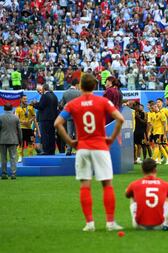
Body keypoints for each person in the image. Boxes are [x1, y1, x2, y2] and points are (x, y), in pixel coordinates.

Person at [54, 73, 125, 232]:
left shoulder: (73, 104)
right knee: (107, 183)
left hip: (83, 147)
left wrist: (70, 142)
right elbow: (120, 119)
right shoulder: (103, 101)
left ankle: (90, 223)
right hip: (100, 146)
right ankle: (110, 223)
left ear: (80, 86)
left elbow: (57, 123)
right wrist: (112, 138)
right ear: (94, 86)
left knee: (85, 185)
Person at [125, 158, 168, 230]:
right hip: (159, 225)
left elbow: (127, 195)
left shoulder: (134, 184)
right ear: (155, 170)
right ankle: (165, 220)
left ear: (142, 170)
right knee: (167, 196)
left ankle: (137, 220)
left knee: (132, 195)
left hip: (139, 225)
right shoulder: (165, 184)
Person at [33, 84, 59, 155]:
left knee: (45, 136)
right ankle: (52, 151)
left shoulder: (44, 96)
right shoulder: (54, 96)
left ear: (44, 89)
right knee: (51, 135)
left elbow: (41, 106)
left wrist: (34, 104)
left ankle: (46, 151)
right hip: (53, 119)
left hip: (45, 119)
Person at [0, 103, 22, 180]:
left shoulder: (1, 117)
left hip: (2, 140)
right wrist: (20, 141)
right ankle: (13, 174)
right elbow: (19, 131)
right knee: (13, 157)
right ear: (12, 108)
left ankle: (4, 174)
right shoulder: (16, 118)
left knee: (3, 158)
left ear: (4, 108)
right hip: (13, 140)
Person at [59, 79, 81, 155]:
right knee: (78, 134)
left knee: (69, 134)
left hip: (69, 117)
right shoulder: (79, 93)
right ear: (77, 84)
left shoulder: (65, 93)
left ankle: (68, 150)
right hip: (77, 117)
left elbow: (61, 105)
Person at [15, 95, 36, 162]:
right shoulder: (18, 109)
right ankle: (20, 157)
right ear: (21, 100)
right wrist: (22, 122)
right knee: (20, 143)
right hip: (21, 128)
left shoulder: (30, 107)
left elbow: (34, 116)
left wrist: (30, 121)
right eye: (24, 99)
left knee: (30, 143)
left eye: (26, 99)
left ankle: (30, 156)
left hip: (29, 129)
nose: (26, 100)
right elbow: (16, 118)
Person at [156, 98, 168, 164]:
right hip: (158, 130)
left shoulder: (165, 110)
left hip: (164, 130)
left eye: (159, 102)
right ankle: (159, 159)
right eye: (157, 102)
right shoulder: (157, 111)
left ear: (162, 103)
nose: (158, 103)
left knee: (164, 144)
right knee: (159, 145)